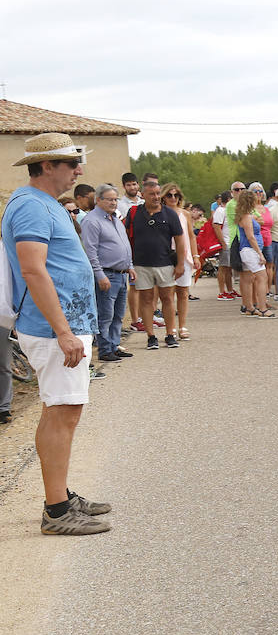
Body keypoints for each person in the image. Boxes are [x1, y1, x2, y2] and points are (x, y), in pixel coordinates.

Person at [4, 133, 111, 534]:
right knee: (63, 411)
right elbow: (33, 270)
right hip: (54, 328)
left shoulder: (39, 203)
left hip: (60, 326)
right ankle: (57, 511)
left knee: (61, 409)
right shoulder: (32, 206)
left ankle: (60, 496)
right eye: (71, 164)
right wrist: (63, 331)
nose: (79, 170)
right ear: (46, 166)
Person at [79, 184, 135, 364]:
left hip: (121, 273)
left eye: (115, 199)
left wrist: (130, 265)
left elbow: (124, 245)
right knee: (105, 315)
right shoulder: (92, 221)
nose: (113, 202)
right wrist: (99, 274)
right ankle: (104, 349)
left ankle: (114, 346)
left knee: (118, 314)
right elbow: (91, 251)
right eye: (109, 199)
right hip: (107, 274)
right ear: (98, 200)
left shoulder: (115, 219)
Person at [128, 178, 185, 348]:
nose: (156, 197)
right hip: (141, 264)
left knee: (167, 298)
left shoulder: (170, 214)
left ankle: (170, 333)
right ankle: (151, 336)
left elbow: (180, 240)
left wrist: (180, 264)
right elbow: (126, 237)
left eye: (158, 193)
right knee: (146, 299)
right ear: (143, 195)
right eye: (152, 194)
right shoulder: (134, 213)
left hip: (165, 263)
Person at [161, 183, 199, 338]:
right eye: (169, 195)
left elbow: (191, 236)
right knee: (167, 294)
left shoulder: (185, 214)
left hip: (184, 255)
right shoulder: (160, 213)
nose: (173, 198)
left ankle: (183, 325)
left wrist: (196, 256)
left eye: (176, 195)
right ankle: (171, 328)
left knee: (183, 292)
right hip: (165, 256)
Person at [234, 191, 273, 318]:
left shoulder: (245, 216)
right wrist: (260, 253)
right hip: (250, 249)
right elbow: (250, 237)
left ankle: (249, 307)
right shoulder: (246, 217)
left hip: (246, 249)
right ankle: (262, 308)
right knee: (262, 278)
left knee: (247, 278)